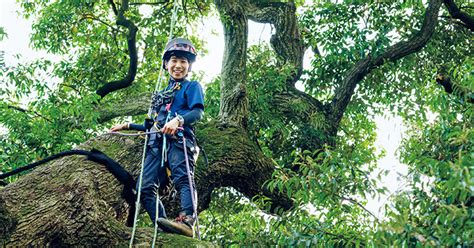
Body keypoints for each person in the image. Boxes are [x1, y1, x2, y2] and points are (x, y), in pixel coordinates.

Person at [110, 38, 204, 237]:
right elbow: (152, 125)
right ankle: (162, 226)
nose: (178, 65)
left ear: (189, 67)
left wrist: (178, 120)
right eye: (174, 60)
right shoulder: (162, 94)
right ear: (166, 64)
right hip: (156, 143)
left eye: (183, 62)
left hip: (179, 139)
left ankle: (187, 221)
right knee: (143, 187)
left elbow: (197, 113)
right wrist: (127, 125)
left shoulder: (191, 87)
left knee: (183, 178)